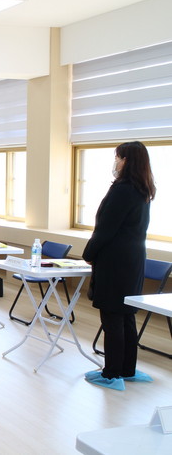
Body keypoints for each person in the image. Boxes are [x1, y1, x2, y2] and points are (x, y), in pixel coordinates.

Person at [82, 141, 156, 391]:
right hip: (133, 260)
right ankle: (127, 369)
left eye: (118, 157)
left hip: (114, 261)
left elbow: (106, 229)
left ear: (127, 161)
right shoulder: (143, 189)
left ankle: (111, 373)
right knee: (126, 315)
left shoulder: (122, 190)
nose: (116, 162)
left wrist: (89, 253)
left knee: (112, 316)